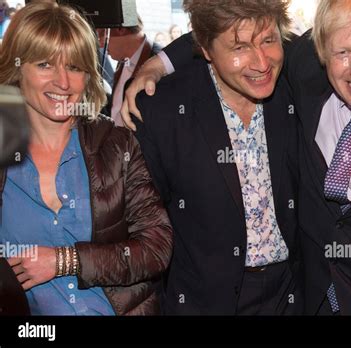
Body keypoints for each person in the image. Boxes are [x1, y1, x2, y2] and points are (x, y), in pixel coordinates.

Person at [123, 0, 351, 315]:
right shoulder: (167, 109)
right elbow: (230, 26)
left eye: (268, 41)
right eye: (342, 53)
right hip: (253, 299)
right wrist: (158, 62)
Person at [0, 1, 173, 315]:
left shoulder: (115, 145)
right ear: (17, 67)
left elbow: (156, 248)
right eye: (44, 65)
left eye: (75, 67)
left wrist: (65, 261)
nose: (63, 82)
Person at [133, 0, 302, 315]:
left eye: (269, 40)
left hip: (288, 296)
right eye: (239, 48)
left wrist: (160, 60)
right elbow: (145, 229)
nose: (262, 62)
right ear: (205, 48)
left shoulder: (297, 85)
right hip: (202, 301)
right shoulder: (163, 110)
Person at [97, 17, 160, 126]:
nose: (101, 45)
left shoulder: (159, 64)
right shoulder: (122, 61)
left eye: (103, 35)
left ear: (120, 29)